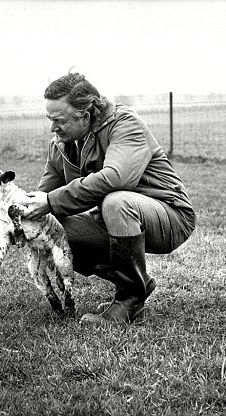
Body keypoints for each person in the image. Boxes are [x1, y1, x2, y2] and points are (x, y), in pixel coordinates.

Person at [21, 72, 195, 324]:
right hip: (110, 219)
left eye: (59, 120)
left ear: (86, 115)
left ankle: (129, 303)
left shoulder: (125, 124)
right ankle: (139, 283)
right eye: (50, 119)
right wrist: (24, 214)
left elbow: (116, 178)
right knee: (50, 229)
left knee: (117, 201)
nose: (52, 128)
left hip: (169, 216)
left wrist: (49, 201)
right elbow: (47, 196)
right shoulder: (60, 143)